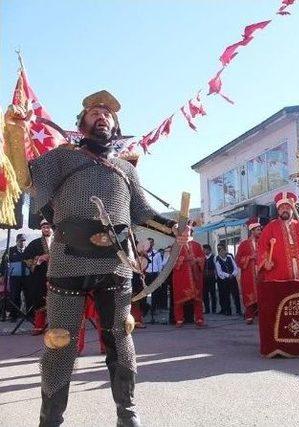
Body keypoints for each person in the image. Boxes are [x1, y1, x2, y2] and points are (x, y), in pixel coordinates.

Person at [29, 90, 186, 426]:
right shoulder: (61, 158)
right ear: (82, 122)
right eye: (94, 112)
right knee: (60, 342)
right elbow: (26, 180)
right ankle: (50, 420)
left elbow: (142, 212)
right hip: (68, 259)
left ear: (116, 126)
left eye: (108, 114)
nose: (102, 116)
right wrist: (14, 132)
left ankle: (127, 415)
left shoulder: (125, 169)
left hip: (115, 264)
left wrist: (175, 228)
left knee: (120, 337)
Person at [258, 192, 299, 284]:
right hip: (280, 271)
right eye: (282, 208)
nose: (285, 210)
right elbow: (262, 246)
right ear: (278, 211)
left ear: (292, 209)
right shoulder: (270, 227)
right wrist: (266, 262)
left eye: (288, 207)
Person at [23, 220, 53, 335]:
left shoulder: (59, 242)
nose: (46, 229)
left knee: (58, 302)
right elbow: (26, 259)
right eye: (44, 227)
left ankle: (54, 328)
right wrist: (39, 258)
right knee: (40, 301)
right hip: (40, 277)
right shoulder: (34, 244)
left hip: (57, 277)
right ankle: (39, 327)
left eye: (48, 227)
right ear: (41, 229)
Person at [172, 227, 206, 327]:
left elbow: (203, 258)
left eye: (188, 232)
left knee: (197, 299)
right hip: (181, 276)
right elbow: (171, 262)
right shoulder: (176, 246)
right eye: (184, 233)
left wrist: (197, 260)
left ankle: (199, 318)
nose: (186, 234)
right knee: (179, 299)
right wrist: (185, 259)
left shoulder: (197, 245)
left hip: (195, 276)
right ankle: (179, 319)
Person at [0, 233, 31, 322]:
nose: (22, 242)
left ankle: (29, 315)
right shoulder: (10, 250)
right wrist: (2, 275)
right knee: (15, 296)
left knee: (28, 296)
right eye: (20, 240)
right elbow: (3, 263)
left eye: (24, 240)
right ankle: (14, 316)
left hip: (27, 277)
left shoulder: (28, 250)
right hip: (15, 277)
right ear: (16, 241)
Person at [236, 218, 261, 324]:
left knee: (262, 294)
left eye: (260, 229)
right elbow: (238, 259)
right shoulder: (244, 244)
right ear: (252, 231)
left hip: (260, 273)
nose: (260, 231)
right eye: (258, 230)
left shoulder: (262, 242)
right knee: (249, 294)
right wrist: (250, 257)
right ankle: (249, 316)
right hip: (249, 274)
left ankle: (260, 314)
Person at [215, 243, 242, 316]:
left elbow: (235, 267)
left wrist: (233, 274)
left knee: (236, 295)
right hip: (225, 280)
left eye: (224, 250)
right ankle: (228, 311)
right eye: (221, 251)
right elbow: (219, 272)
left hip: (232, 278)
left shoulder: (230, 257)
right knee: (226, 295)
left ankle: (238, 310)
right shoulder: (217, 260)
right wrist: (227, 275)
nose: (223, 252)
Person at [146, 238, 166, 312]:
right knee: (144, 291)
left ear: (153, 244)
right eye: (148, 243)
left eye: (151, 243)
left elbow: (160, 265)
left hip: (154, 273)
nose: (150, 244)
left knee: (155, 292)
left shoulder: (157, 253)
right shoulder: (142, 252)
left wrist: (160, 276)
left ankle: (153, 309)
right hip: (145, 274)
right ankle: (144, 308)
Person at [202, 244, 218, 314]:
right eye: (203, 250)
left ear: (209, 250)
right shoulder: (202, 257)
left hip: (211, 277)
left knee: (213, 293)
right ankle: (207, 309)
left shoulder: (214, 257)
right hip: (204, 278)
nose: (204, 251)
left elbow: (216, 268)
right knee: (205, 294)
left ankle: (214, 309)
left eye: (205, 249)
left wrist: (217, 277)